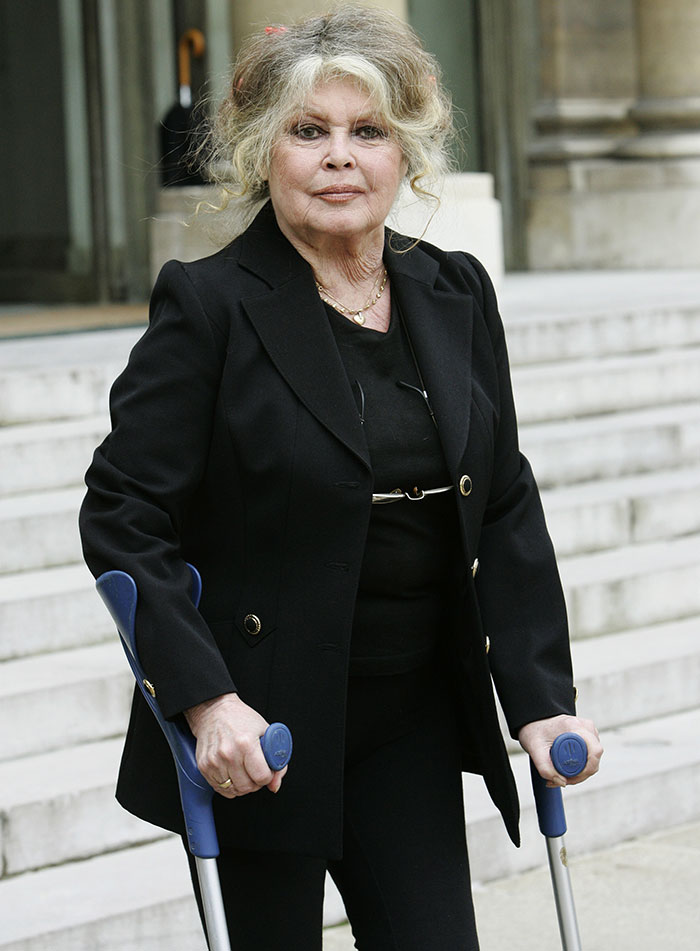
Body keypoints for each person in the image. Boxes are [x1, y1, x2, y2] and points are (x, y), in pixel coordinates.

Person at [79, 6, 602, 950]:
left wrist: (540, 696)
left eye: (368, 132)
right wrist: (206, 700)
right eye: (308, 130)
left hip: (410, 718)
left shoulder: (454, 290)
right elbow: (123, 511)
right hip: (262, 730)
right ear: (261, 151)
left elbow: (504, 502)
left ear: (405, 154)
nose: (339, 158)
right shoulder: (210, 305)